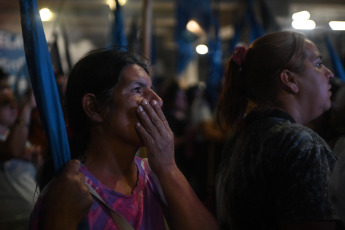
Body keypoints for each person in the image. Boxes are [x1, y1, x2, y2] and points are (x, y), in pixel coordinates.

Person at [30, 48, 218, 230]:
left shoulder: (154, 175)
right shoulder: (68, 193)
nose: (157, 100)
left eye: (151, 89)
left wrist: (168, 168)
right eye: (137, 90)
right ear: (94, 108)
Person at [215, 31, 339, 230]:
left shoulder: (237, 139)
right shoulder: (302, 145)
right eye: (317, 64)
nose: (329, 73)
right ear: (289, 79)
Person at [0, 68, 40, 230]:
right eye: (4, 103)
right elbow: (12, 150)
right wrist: (27, 108)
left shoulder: (15, 134)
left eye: (13, 100)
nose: (13, 106)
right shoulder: (15, 138)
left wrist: (36, 160)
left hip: (34, 220)